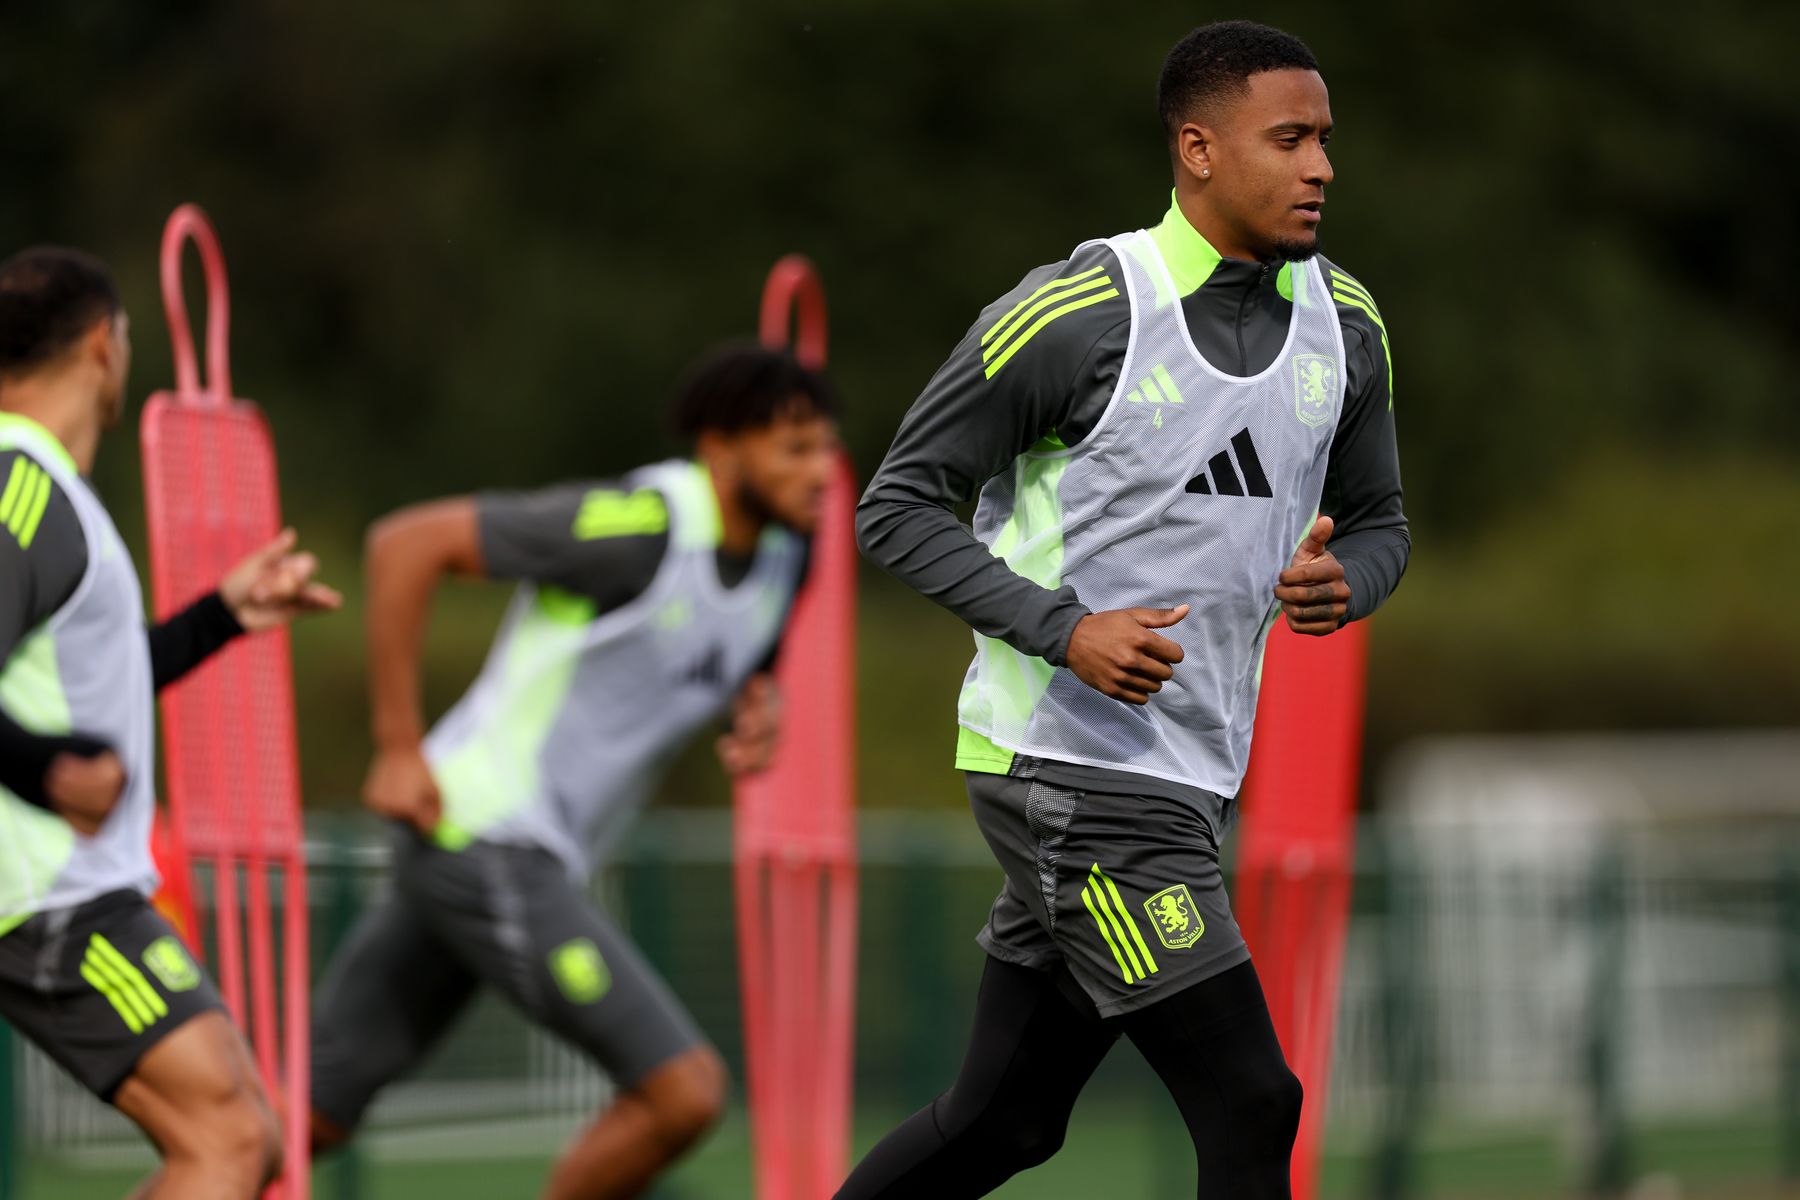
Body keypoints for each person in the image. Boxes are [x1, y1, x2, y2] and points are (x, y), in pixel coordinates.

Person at [840, 20, 1409, 1199]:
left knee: (1004, 1125)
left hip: (1189, 778)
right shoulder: (1079, 313)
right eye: (1290, 140)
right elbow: (895, 507)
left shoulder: (1346, 324)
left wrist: (1350, 578)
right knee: (1254, 1101)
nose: (1322, 168)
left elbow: (1385, 522)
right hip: (1067, 772)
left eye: (1326, 142)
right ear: (1198, 149)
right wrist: (1066, 629)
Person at [308, 343, 838, 1199]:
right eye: (794, 449)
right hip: (482, 834)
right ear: (719, 449)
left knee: (303, 1118)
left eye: (826, 448)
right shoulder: (639, 527)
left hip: (493, 853)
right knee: (682, 1093)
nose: (821, 472)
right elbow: (406, 543)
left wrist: (757, 707)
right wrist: (399, 745)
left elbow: (738, 653)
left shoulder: (789, 554)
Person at [0, 245, 341, 1199]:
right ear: (104, 347)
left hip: (65, 887)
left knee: (244, 1137)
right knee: (231, 1140)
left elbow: (91, 689)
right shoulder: (22, 487)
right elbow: (58, 738)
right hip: (47, 893)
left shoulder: (47, 493)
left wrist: (219, 617)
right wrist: (47, 771)